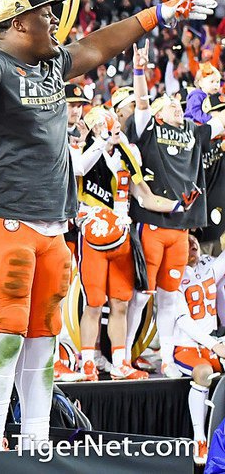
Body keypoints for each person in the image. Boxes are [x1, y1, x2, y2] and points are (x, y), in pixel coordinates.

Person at [0, 0, 217, 452]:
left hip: (49, 219)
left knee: (42, 339)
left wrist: (158, 15)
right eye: (45, 15)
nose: (57, 20)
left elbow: (96, 45)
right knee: (2, 335)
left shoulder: (47, 61)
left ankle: (36, 440)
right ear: (21, 24)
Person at [126, 66, 225, 378]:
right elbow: (141, 103)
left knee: (170, 296)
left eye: (178, 105)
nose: (177, 107)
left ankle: (166, 357)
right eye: (170, 105)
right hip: (152, 224)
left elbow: (220, 121)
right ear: (157, 114)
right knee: (143, 295)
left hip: (179, 228)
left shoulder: (192, 134)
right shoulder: (147, 130)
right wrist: (139, 69)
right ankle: (125, 356)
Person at [75, 105, 187, 381]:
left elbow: (144, 195)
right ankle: (87, 361)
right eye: (102, 125)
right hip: (94, 235)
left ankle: (120, 362)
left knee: (121, 303)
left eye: (110, 124)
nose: (109, 129)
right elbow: (81, 168)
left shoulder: (126, 154)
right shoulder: (81, 150)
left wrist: (177, 206)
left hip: (122, 236)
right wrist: (100, 141)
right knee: (93, 303)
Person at [169, 234, 225, 465]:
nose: (192, 244)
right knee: (203, 373)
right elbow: (183, 320)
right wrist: (215, 345)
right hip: (187, 347)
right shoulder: (171, 277)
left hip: (211, 345)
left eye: (193, 240)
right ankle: (199, 438)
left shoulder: (208, 266)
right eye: (185, 241)